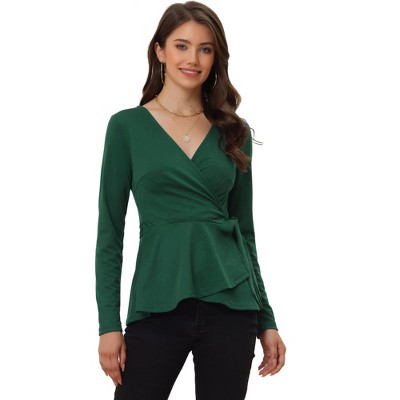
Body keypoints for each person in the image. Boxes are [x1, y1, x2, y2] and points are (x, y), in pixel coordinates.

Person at [95, 1, 286, 399]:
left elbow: (245, 234)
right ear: (160, 51)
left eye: (205, 49)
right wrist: (108, 325)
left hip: (233, 306)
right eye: (181, 46)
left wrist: (267, 319)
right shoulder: (126, 127)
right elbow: (110, 233)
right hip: (157, 301)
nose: (193, 59)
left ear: (215, 58)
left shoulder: (234, 131)